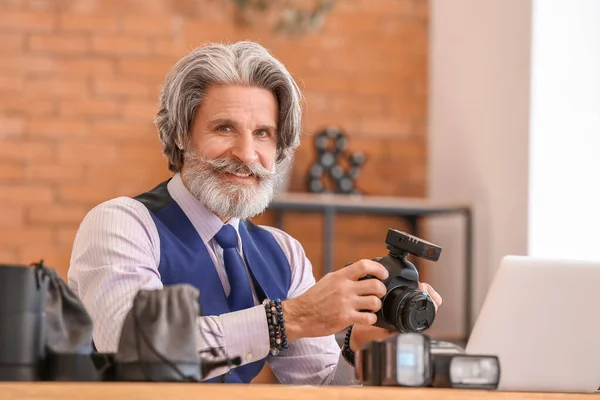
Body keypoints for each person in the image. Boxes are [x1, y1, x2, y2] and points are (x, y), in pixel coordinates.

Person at [67, 41, 442, 385]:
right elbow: (134, 350)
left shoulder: (284, 253)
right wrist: (289, 319)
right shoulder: (124, 224)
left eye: (263, 133)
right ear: (182, 134)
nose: (247, 155)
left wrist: (366, 346)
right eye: (224, 128)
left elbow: (321, 387)